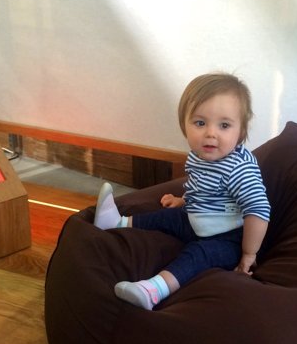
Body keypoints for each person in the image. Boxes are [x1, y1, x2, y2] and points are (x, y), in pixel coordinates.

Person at [93, 72, 271, 310]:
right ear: (184, 125)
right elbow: (201, 186)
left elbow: (258, 210)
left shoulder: (238, 169)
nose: (211, 133)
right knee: (167, 217)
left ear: (241, 131)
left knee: (198, 254)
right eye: (200, 123)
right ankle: (117, 221)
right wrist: (183, 200)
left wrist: (248, 254)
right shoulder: (199, 156)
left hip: (230, 237)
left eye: (224, 125)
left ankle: (154, 289)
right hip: (199, 220)